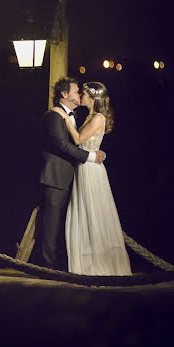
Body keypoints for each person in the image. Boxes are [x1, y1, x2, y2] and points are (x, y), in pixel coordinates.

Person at [52, 81, 131, 275]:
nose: (81, 97)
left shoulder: (97, 117)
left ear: (93, 98)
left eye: (84, 94)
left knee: (92, 210)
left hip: (90, 170)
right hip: (85, 166)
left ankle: (96, 265)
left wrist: (65, 119)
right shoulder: (90, 116)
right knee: (84, 209)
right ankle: (84, 265)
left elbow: (78, 140)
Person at [35, 77, 106, 271]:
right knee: (52, 222)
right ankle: (47, 266)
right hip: (55, 176)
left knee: (67, 222)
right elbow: (63, 145)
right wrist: (91, 157)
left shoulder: (72, 116)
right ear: (65, 94)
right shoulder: (54, 116)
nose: (80, 95)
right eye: (76, 91)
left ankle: (64, 263)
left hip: (72, 176)